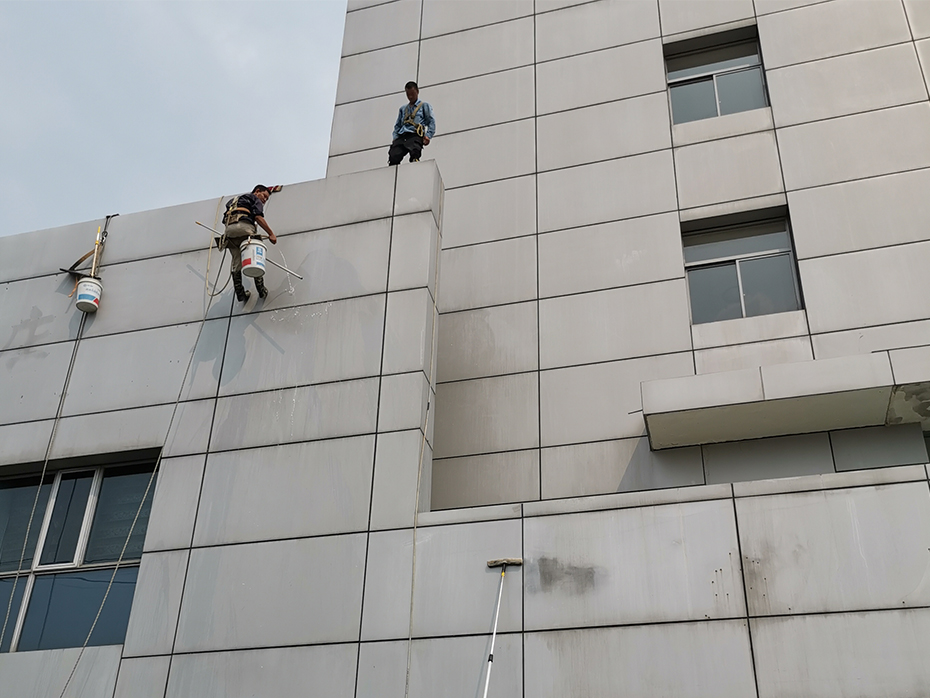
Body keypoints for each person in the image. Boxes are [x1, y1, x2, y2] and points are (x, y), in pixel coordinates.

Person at [222, 185, 278, 302]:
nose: (264, 200)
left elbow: (224, 219)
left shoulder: (232, 201)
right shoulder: (254, 198)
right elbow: (258, 217)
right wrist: (271, 234)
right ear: (257, 191)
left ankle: (240, 294)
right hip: (245, 229)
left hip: (229, 232)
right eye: (264, 196)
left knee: (236, 263)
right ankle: (261, 290)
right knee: (254, 256)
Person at [388, 81, 436, 166]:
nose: (410, 97)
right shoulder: (403, 109)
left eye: (412, 94)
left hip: (414, 134)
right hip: (402, 135)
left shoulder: (424, 106)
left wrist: (428, 136)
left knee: (415, 152)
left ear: (417, 91)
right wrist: (395, 137)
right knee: (394, 155)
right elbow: (397, 125)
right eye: (408, 94)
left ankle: (415, 163)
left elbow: (431, 121)